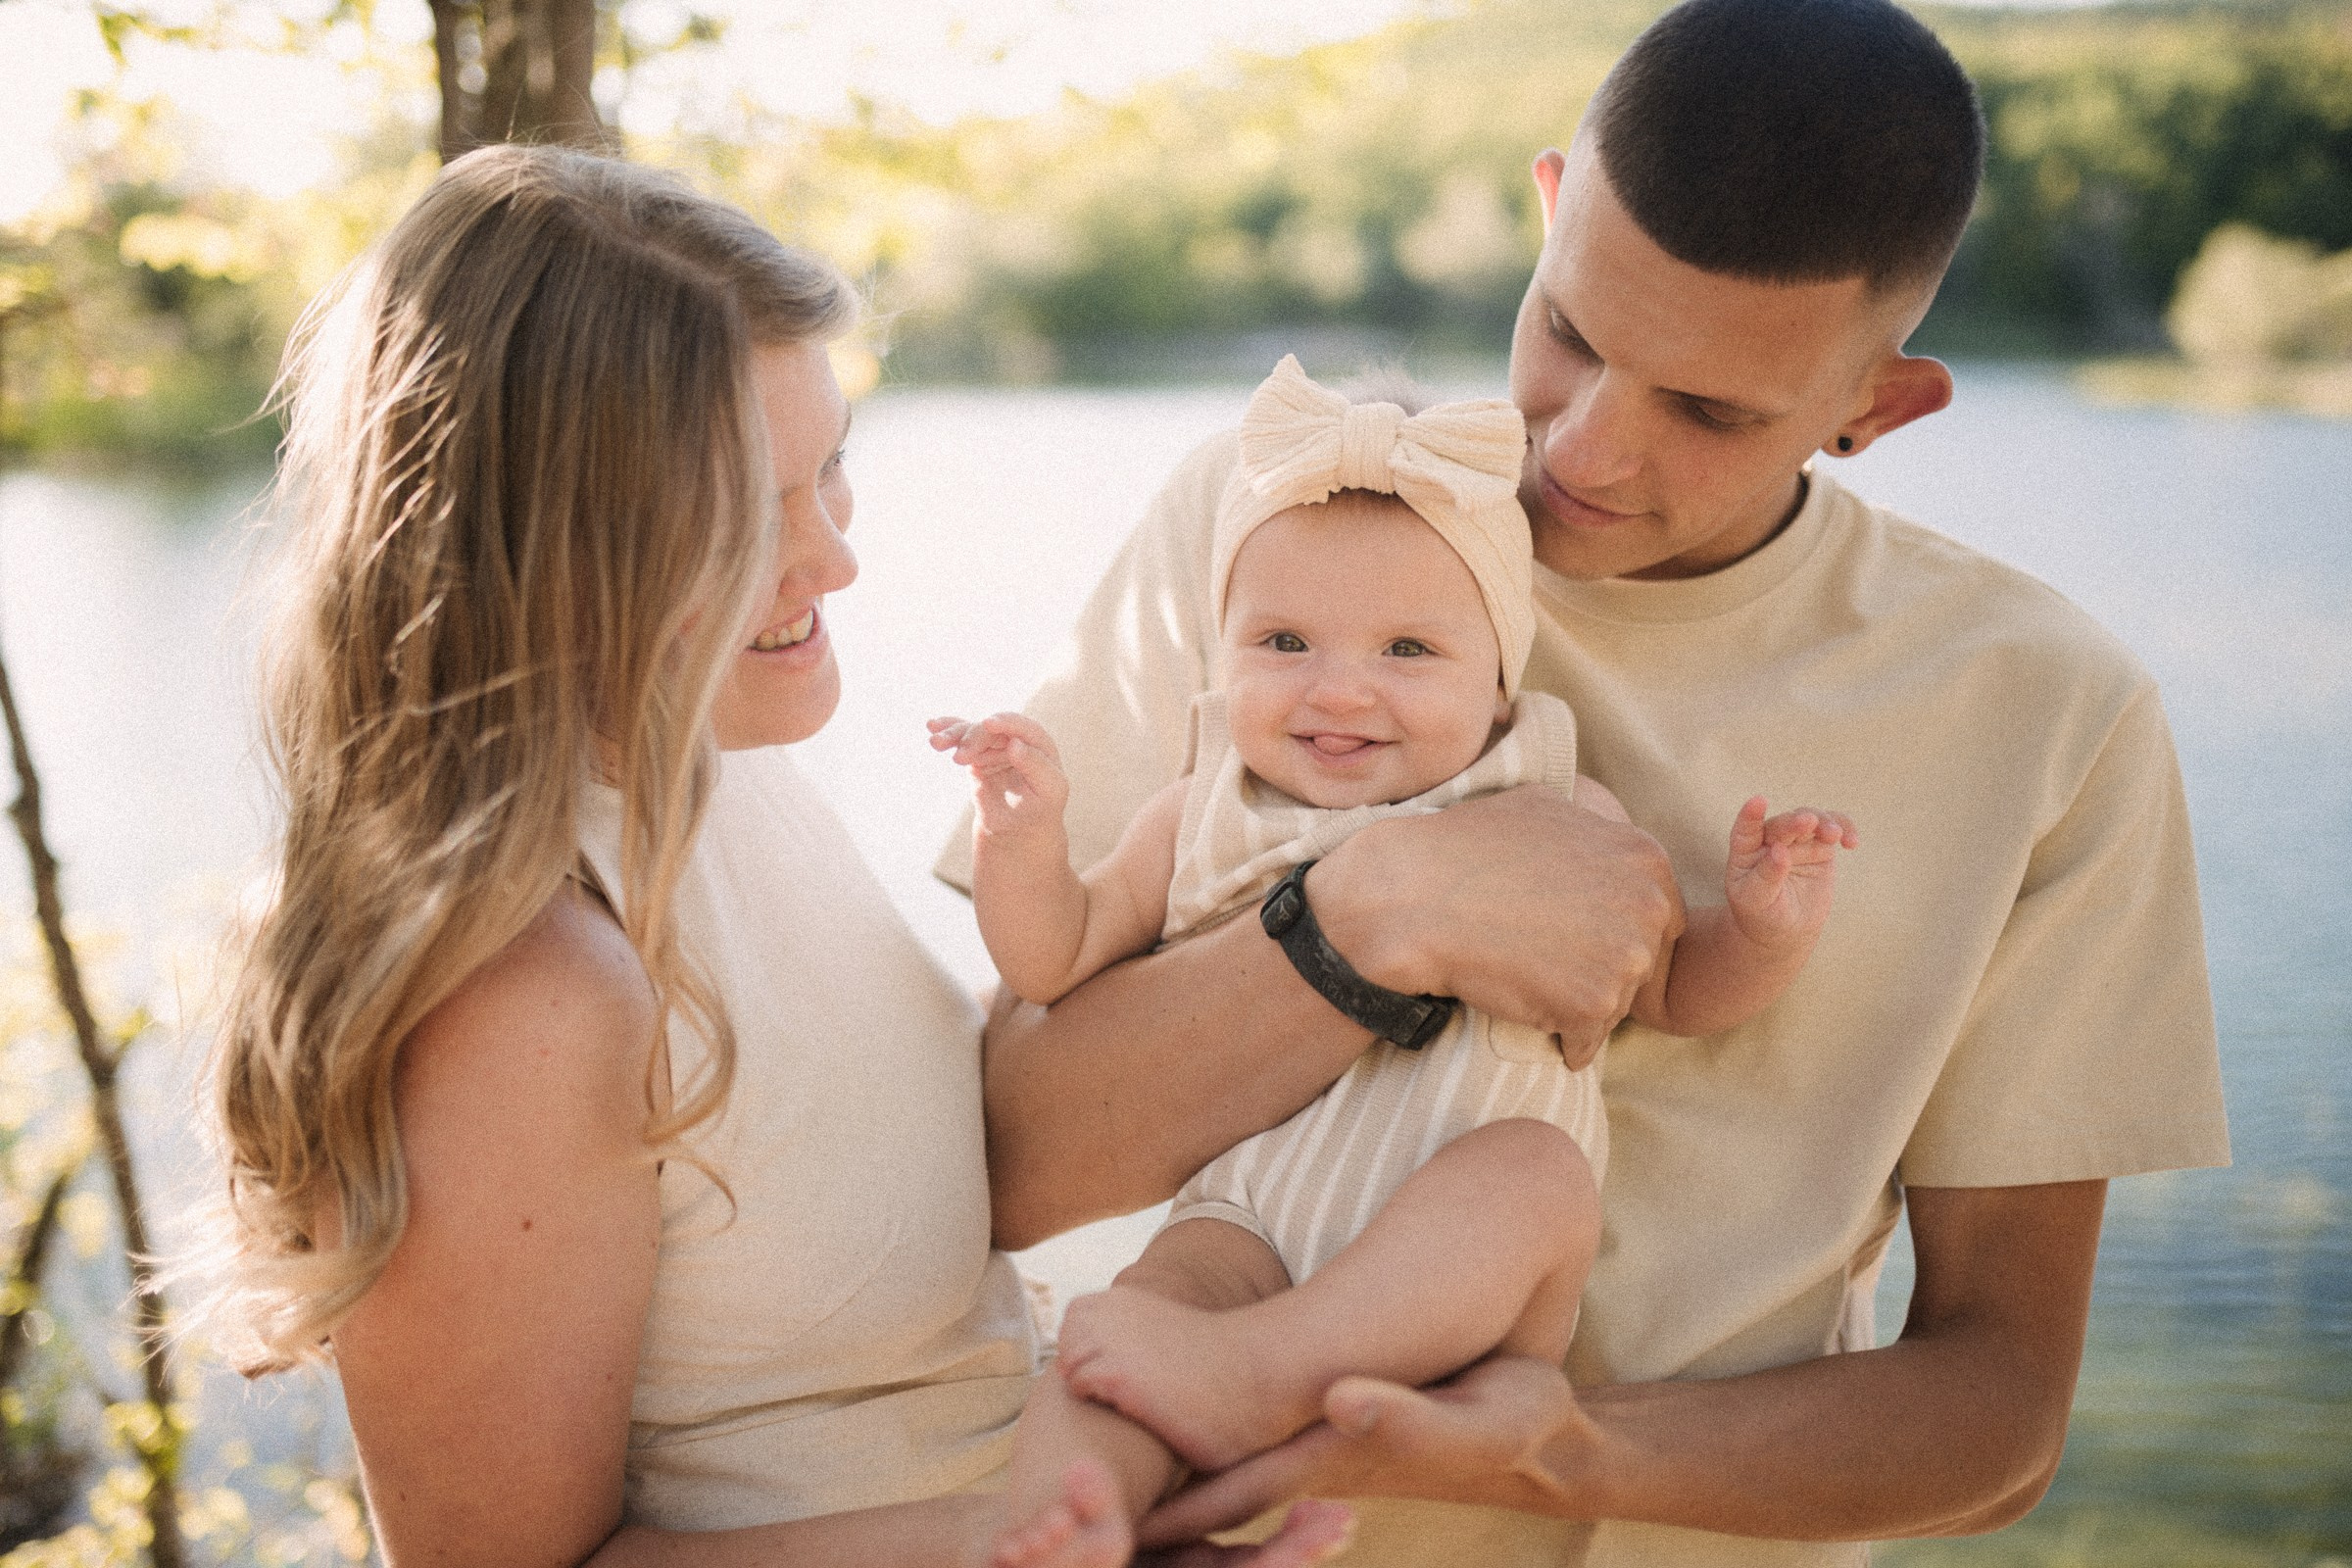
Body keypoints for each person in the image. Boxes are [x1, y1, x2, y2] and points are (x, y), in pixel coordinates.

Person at [941, 1, 2230, 1562]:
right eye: (1568, 332)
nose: (1586, 453)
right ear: (1550, 212)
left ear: (1874, 408)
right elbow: (1003, 1167)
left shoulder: (2048, 715)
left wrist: (1555, 1455)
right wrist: (1373, 915)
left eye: (1710, 411)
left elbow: (2001, 1417)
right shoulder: (1279, 522)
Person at [191, 145, 1350, 1568]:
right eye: (749, 510)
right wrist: (1036, 1543)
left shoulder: (711, 765)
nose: (836, 560)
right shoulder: (525, 992)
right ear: (547, 545)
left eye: (832, 470)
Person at [933, 357, 1856, 1566]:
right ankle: (1078, 1521)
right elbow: (1052, 959)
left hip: (1471, 1240)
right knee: (1121, 1329)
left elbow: (1674, 991)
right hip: (1248, 1212)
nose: (1341, 688)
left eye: (1410, 649)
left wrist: (1762, 928)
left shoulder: (1555, 801)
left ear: (1498, 674)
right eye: (1283, 640)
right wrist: (1025, 837)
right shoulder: (1198, 808)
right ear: (1221, 654)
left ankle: (1264, 1375)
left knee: (1536, 1176)